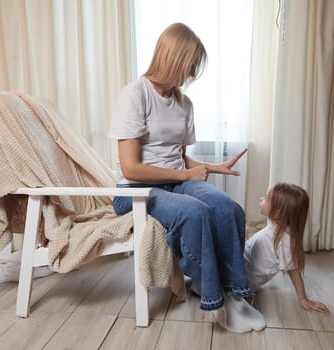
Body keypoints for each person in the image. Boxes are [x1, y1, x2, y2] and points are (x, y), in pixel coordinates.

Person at [108, 23, 265, 333]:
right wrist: (185, 173)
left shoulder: (184, 104)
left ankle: (236, 293)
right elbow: (131, 168)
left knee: (227, 208)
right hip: (135, 190)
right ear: (174, 57)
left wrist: (211, 167)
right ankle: (213, 297)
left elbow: (178, 157)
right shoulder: (135, 95)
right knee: (195, 212)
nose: (193, 73)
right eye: (191, 64)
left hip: (174, 181)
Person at [244, 183, 330, 313]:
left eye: (266, 198)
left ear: (278, 213)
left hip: (240, 283)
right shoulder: (275, 227)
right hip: (239, 271)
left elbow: (294, 271)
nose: (261, 198)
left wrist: (303, 299)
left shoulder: (284, 242)